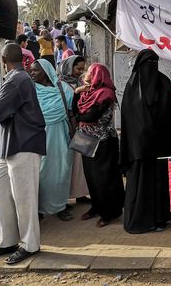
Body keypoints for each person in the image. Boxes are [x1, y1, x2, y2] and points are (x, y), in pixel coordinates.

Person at [0, 44, 46, 265]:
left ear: (3, 59)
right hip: (10, 144)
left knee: (24, 198)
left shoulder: (17, 80)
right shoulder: (18, 78)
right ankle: (7, 240)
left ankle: (30, 244)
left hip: (24, 144)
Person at [120, 49, 171, 234]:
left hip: (158, 148)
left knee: (159, 183)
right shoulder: (132, 87)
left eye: (155, 63)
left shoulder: (164, 83)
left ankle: (159, 219)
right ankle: (139, 221)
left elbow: (170, 118)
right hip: (140, 149)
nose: (151, 68)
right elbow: (128, 121)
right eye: (148, 64)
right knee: (140, 183)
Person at [75, 63, 125, 227]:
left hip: (103, 142)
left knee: (104, 178)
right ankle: (96, 207)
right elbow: (76, 108)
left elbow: (92, 116)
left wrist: (76, 117)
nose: (86, 73)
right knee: (91, 177)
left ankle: (109, 213)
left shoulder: (106, 94)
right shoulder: (88, 93)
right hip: (86, 139)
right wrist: (77, 92)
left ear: (98, 74)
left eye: (90, 71)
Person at [29, 60, 74, 221]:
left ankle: (60, 206)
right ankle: (39, 209)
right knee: (40, 173)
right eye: (31, 70)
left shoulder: (63, 88)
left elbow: (72, 109)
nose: (32, 73)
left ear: (46, 72)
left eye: (35, 71)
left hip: (61, 136)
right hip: (39, 137)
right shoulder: (31, 90)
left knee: (61, 172)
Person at [57, 55, 90, 204]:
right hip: (67, 127)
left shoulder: (79, 83)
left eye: (82, 69)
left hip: (79, 127)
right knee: (66, 163)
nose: (79, 71)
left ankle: (80, 194)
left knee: (79, 163)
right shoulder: (60, 85)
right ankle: (63, 197)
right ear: (69, 67)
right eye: (77, 68)